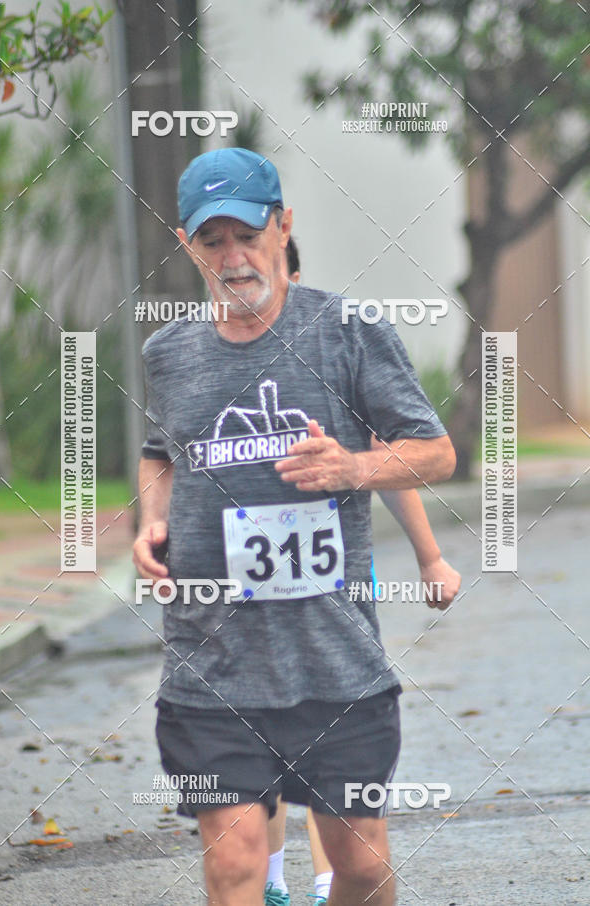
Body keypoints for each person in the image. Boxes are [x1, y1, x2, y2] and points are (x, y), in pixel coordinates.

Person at [133, 147, 456, 906]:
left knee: (361, 867)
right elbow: (159, 455)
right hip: (212, 664)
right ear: (187, 245)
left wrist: (353, 468)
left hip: (334, 662)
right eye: (212, 241)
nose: (232, 257)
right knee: (235, 862)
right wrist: (151, 523)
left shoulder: (347, 331)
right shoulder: (168, 353)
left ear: (283, 227)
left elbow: (436, 453)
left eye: (248, 235)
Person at [263, 238, 461, 906]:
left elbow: (394, 465)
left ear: (295, 278)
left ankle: (330, 880)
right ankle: (268, 881)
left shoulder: (335, 358)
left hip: (335, 588)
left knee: (329, 735)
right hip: (247, 596)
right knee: (256, 736)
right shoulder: (215, 358)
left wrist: (430, 558)